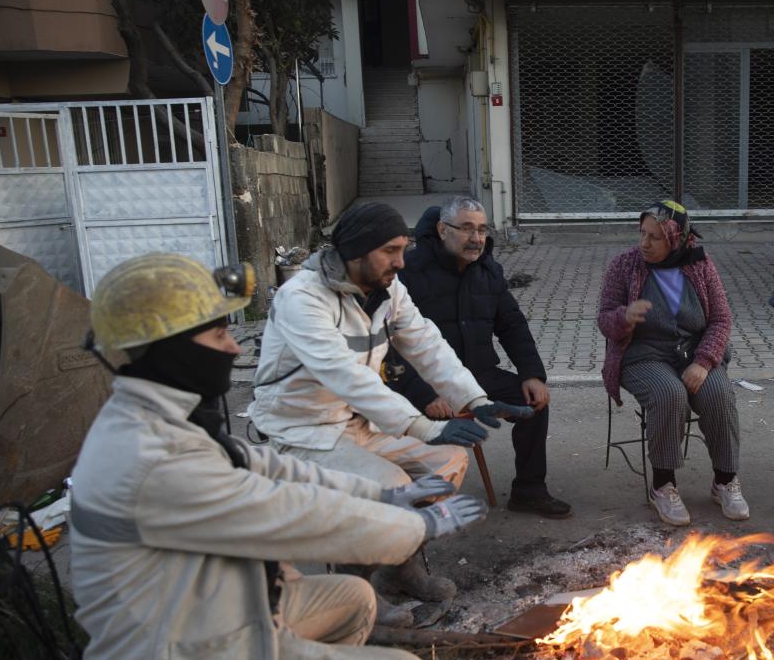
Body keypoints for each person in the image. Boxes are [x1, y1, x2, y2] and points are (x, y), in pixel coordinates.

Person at [70, 252, 490, 660]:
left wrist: (383, 495)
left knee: (353, 597)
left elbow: (269, 470)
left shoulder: (164, 419)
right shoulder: (153, 457)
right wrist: (417, 527)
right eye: (219, 333)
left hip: (219, 616)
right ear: (170, 348)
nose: (234, 348)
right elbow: (288, 515)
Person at [248, 201, 532, 616]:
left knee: (447, 462)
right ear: (356, 252)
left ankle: (399, 568)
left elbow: (427, 344)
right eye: (390, 251)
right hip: (304, 432)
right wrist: (423, 427)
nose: (401, 262)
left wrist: (476, 400)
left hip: (361, 425)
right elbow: (345, 375)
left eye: (403, 249)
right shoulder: (301, 298)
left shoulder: (386, 289)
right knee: (392, 486)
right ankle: (355, 596)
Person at [389, 196, 571, 518]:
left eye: (482, 230)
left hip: (479, 376)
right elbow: (389, 346)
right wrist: (423, 393)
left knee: (533, 403)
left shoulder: (488, 271)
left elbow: (512, 324)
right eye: (467, 229)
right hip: (423, 384)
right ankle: (410, 504)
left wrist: (532, 373)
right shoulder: (409, 273)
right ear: (443, 230)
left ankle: (529, 491)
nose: (476, 239)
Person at [598, 200, 746, 526]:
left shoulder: (700, 265)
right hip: (643, 354)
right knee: (669, 393)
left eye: (655, 236)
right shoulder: (624, 266)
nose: (644, 243)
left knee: (718, 394)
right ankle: (663, 485)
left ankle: (724, 480)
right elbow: (605, 320)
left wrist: (704, 362)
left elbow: (721, 320)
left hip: (695, 352)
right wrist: (624, 317)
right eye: (642, 233)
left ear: (677, 237)